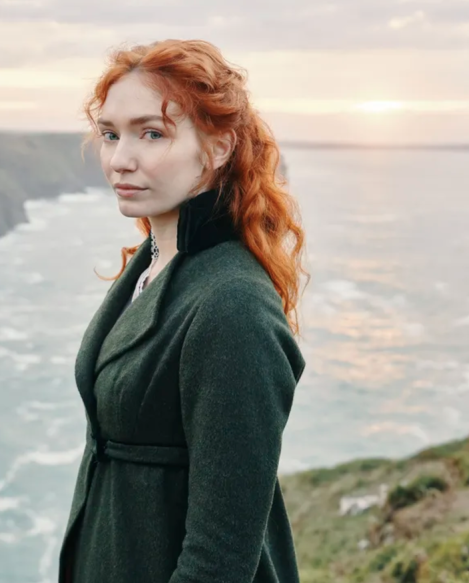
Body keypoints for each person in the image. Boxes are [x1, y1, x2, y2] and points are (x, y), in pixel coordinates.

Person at [58, 39, 309, 583]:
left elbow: (218, 560)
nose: (120, 159)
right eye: (110, 134)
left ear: (218, 147)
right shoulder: (154, 262)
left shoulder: (232, 306)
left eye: (152, 133)